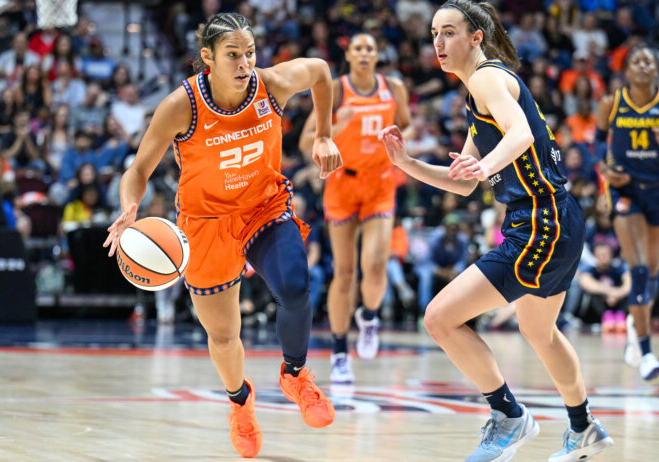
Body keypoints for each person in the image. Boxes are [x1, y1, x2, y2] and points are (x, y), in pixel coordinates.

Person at [379, 2, 614, 461]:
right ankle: (583, 427)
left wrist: (485, 165)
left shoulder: (487, 77)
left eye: (449, 32)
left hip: (540, 224)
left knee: (439, 317)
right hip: (559, 219)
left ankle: (508, 416)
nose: (438, 43)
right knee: (539, 332)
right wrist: (407, 164)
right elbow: (464, 184)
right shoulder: (478, 92)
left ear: (475, 38)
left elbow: (521, 134)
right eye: (434, 34)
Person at [103, 13, 342, 459]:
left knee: (294, 286)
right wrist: (129, 208)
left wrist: (324, 135)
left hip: (263, 206)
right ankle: (240, 402)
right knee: (225, 335)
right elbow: (137, 171)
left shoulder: (271, 85)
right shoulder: (180, 106)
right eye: (233, 55)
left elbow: (322, 73)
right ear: (207, 58)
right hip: (204, 223)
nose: (245, 63)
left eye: (249, 53)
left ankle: (295, 375)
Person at [299, 32, 412, 383]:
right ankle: (338, 352)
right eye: (358, 48)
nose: (364, 53)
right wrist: (335, 126)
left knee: (376, 264)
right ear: (348, 54)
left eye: (371, 48)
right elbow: (306, 142)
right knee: (345, 273)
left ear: (377, 56)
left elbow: (404, 123)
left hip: (379, 180)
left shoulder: (393, 87)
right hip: (342, 181)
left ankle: (370, 315)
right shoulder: (334, 89)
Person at [595, 45, 659, 381]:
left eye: (648, 61)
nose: (642, 65)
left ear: (656, 69)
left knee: (651, 273)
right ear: (627, 70)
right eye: (636, 61)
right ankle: (646, 351)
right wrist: (606, 170)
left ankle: (632, 324)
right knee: (638, 267)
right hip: (626, 191)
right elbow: (598, 143)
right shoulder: (611, 103)